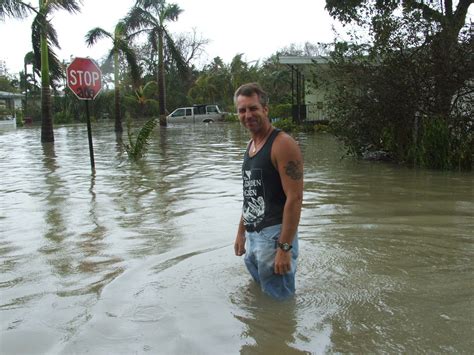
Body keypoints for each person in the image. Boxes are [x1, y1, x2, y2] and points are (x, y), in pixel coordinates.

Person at [233, 83, 304, 300]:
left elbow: (295, 198)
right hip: (255, 236)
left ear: (265, 109)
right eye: (242, 110)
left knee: (279, 304)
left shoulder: (282, 144)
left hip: (275, 237)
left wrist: (284, 248)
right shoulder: (251, 146)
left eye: (253, 108)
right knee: (263, 300)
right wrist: (241, 232)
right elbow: (251, 196)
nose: (248, 115)